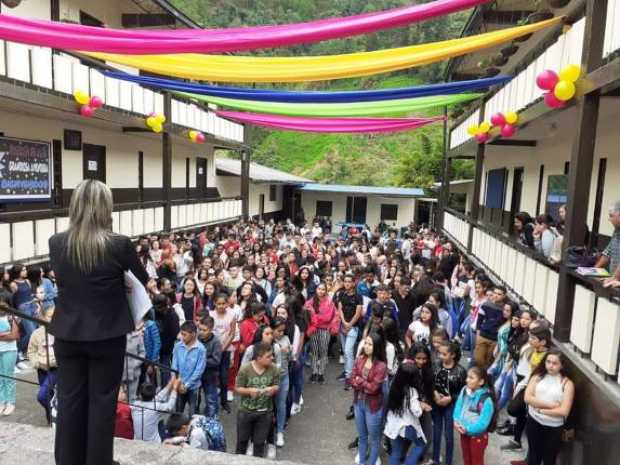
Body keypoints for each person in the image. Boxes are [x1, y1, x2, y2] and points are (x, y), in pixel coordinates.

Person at [48, 179, 149, 465]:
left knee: (69, 401)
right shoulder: (118, 244)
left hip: (67, 333)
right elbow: (143, 279)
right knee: (102, 404)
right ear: (106, 208)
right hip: (107, 334)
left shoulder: (56, 243)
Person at [524, 349, 575, 465]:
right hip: (534, 422)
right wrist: (551, 406)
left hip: (554, 427)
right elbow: (527, 398)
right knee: (533, 456)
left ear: (562, 365)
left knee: (549, 459)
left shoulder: (567, 384)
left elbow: (564, 411)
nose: (550, 366)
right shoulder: (537, 376)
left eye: (555, 363)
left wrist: (541, 410)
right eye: (548, 362)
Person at [235, 341, 280, 458]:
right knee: (242, 442)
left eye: (272, 355)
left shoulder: (274, 369)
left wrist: (273, 389)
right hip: (246, 412)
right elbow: (237, 388)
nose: (272, 358)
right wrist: (249, 391)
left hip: (265, 413)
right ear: (259, 358)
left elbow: (277, 385)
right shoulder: (245, 369)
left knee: (259, 444)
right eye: (268, 356)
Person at [351, 332, 388, 465]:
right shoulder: (359, 359)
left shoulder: (381, 366)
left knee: (374, 438)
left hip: (372, 407)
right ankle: (362, 462)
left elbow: (373, 389)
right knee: (362, 437)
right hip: (359, 403)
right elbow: (351, 379)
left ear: (376, 346)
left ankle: (372, 462)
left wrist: (359, 381)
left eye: (370, 344)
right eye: (365, 343)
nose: (366, 346)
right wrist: (361, 383)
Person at [384, 361, 428, 465]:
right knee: (420, 445)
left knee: (396, 452)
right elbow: (417, 412)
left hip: (394, 424)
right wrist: (421, 406)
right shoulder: (411, 392)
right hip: (407, 426)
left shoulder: (394, 385)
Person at [431, 341, 466, 465]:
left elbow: (464, 393)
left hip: (450, 406)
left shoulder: (460, 371)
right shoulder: (435, 365)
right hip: (436, 404)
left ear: (453, 355)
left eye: (444, 354)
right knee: (436, 432)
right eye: (439, 353)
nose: (440, 357)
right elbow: (430, 381)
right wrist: (434, 393)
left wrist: (451, 398)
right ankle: (435, 459)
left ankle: (448, 461)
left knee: (448, 435)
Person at [453, 366, 496, 465]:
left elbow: (483, 423)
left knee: (476, 462)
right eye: (467, 377)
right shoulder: (464, 390)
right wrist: (456, 421)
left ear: (481, 382)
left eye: (471, 378)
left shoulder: (486, 400)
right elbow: (458, 406)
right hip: (464, 433)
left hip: (477, 437)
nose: (467, 380)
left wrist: (467, 429)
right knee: (466, 459)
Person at [27, 304, 57, 423]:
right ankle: (51, 419)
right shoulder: (37, 333)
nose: (54, 318)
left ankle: (55, 416)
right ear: (43, 317)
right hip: (42, 369)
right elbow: (31, 351)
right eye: (50, 316)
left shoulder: (62, 331)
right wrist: (36, 363)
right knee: (48, 395)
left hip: (56, 369)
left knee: (42, 396)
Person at [305, 282, 339, 384]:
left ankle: (321, 373)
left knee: (323, 351)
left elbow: (334, 316)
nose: (321, 291)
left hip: (325, 330)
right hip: (313, 329)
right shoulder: (310, 302)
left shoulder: (330, 302)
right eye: (319, 289)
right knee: (314, 351)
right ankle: (314, 371)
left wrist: (330, 325)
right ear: (316, 290)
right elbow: (307, 316)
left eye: (323, 289)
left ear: (326, 291)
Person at [172, 321, 207, 415]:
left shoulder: (201, 349)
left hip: (193, 387)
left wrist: (186, 385)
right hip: (179, 384)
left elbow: (199, 370)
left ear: (193, 334)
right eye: (181, 334)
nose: (182, 337)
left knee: (193, 414)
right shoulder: (177, 346)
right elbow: (174, 366)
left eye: (184, 335)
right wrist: (177, 382)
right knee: (178, 411)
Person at [209, 293, 236, 414]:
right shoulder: (210, 315)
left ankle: (224, 402)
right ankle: (212, 402)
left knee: (224, 378)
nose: (221, 306)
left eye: (223, 303)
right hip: (212, 350)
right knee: (212, 378)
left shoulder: (231, 315)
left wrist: (222, 348)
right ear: (214, 303)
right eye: (218, 303)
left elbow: (232, 333)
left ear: (227, 304)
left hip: (225, 351)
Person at [337, 274, 363, 389]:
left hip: (353, 327)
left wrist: (349, 325)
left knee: (348, 351)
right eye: (345, 281)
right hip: (342, 326)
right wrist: (344, 323)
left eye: (349, 281)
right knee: (345, 350)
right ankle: (347, 372)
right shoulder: (341, 294)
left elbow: (358, 313)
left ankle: (350, 376)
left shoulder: (358, 297)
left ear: (353, 283)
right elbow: (340, 309)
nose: (347, 283)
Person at [473, 286, 507, 370]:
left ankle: (484, 378)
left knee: (489, 361)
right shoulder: (486, 305)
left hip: (495, 339)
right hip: (483, 335)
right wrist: (478, 335)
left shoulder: (505, 309)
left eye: (499, 294)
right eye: (495, 293)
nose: (496, 295)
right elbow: (479, 320)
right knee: (478, 359)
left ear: (504, 296)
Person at [197, 315, 222, 417]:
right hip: (198, 373)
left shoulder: (216, 342)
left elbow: (216, 360)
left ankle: (211, 418)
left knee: (210, 397)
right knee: (196, 396)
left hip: (210, 374)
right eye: (200, 329)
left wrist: (201, 361)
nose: (201, 332)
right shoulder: (197, 338)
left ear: (211, 329)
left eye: (204, 330)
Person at [0, 297, 19, 416]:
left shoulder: (12, 317)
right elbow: (9, 335)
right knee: (0, 378)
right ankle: (2, 401)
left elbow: (14, 335)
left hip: (9, 350)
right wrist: (6, 334)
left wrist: (5, 335)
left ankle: (11, 402)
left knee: (8, 377)